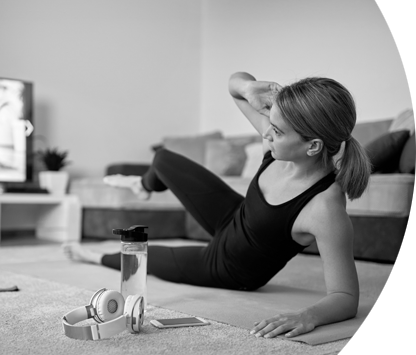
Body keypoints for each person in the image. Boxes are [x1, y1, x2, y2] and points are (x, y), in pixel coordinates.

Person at [64, 71, 372, 339]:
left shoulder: (324, 208)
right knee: (163, 160)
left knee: (140, 257)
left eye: (276, 131)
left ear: (313, 146)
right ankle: (143, 185)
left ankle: (91, 256)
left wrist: (307, 317)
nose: (265, 133)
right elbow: (234, 84)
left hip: (228, 268)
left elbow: (345, 297)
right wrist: (251, 89)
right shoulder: (282, 146)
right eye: (271, 123)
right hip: (233, 215)